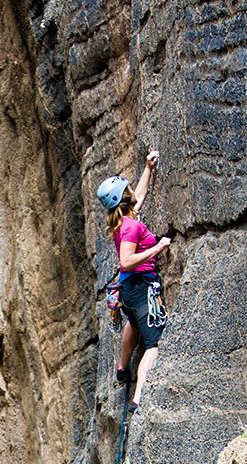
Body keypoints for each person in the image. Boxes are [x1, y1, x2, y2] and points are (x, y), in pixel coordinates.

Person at [97, 151, 171, 413]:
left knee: (134, 323)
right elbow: (127, 261)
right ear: (123, 197)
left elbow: (137, 197)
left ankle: (122, 366)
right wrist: (158, 247)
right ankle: (138, 396)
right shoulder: (130, 227)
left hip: (128, 291)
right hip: (140, 287)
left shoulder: (124, 220)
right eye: (127, 188)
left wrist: (148, 168)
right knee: (153, 344)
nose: (131, 190)